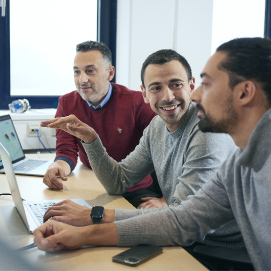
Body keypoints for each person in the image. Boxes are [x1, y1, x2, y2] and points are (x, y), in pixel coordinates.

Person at [34, 37, 271, 270]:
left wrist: (92, 219)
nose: (197, 95)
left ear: (244, 92)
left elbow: (179, 220)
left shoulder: (218, 140)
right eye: (156, 87)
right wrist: (85, 232)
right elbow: (182, 220)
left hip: (216, 254)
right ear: (145, 93)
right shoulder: (239, 163)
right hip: (192, 242)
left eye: (206, 84)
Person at [44, 40, 160, 207]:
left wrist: (166, 201)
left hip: (133, 188)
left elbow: (168, 151)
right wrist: (58, 167)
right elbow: (66, 151)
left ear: (110, 73)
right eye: (77, 72)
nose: (82, 79)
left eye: (90, 71)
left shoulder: (137, 102)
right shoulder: (66, 103)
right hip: (93, 183)